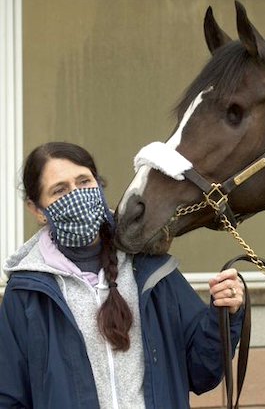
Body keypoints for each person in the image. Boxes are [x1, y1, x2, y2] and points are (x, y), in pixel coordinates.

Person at [0, 141, 245, 408]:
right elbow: (10, 395)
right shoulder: (27, 292)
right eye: (60, 190)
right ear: (37, 210)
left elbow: (202, 372)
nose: (76, 195)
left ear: (99, 184)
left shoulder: (151, 269)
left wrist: (224, 313)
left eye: (83, 181)